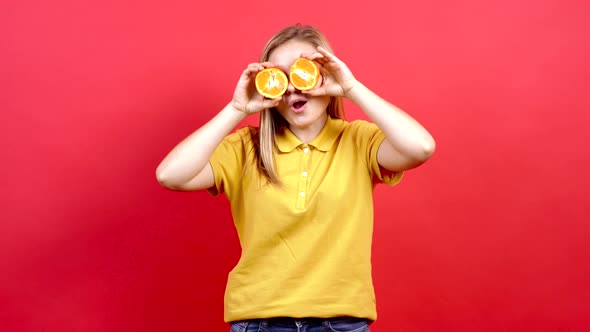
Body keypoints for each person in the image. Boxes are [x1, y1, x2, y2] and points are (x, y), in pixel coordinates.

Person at [156, 24, 435, 332]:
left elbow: (420, 147)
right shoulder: (245, 148)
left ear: (325, 74)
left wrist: (351, 87)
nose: (291, 87)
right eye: (280, 77)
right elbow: (170, 175)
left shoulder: (359, 140)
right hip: (258, 321)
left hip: (342, 322)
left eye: (302, 72)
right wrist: (237, 108)